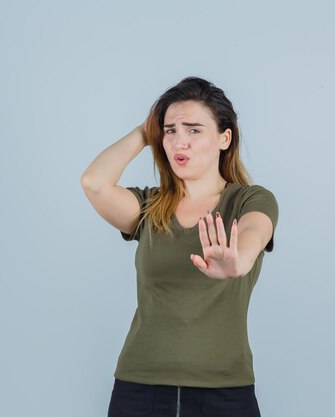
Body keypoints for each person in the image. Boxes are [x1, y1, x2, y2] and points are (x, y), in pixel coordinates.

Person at [80, 77, 279, 417]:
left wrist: (238, 260)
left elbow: (254, 232)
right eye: (170, 131)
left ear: (224, 137)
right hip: (139, 387)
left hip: (224, 392)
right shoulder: (150, 206)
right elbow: (94, 183)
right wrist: (145, 132)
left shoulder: (249, 199)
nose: (178, 142)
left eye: (193, 130)